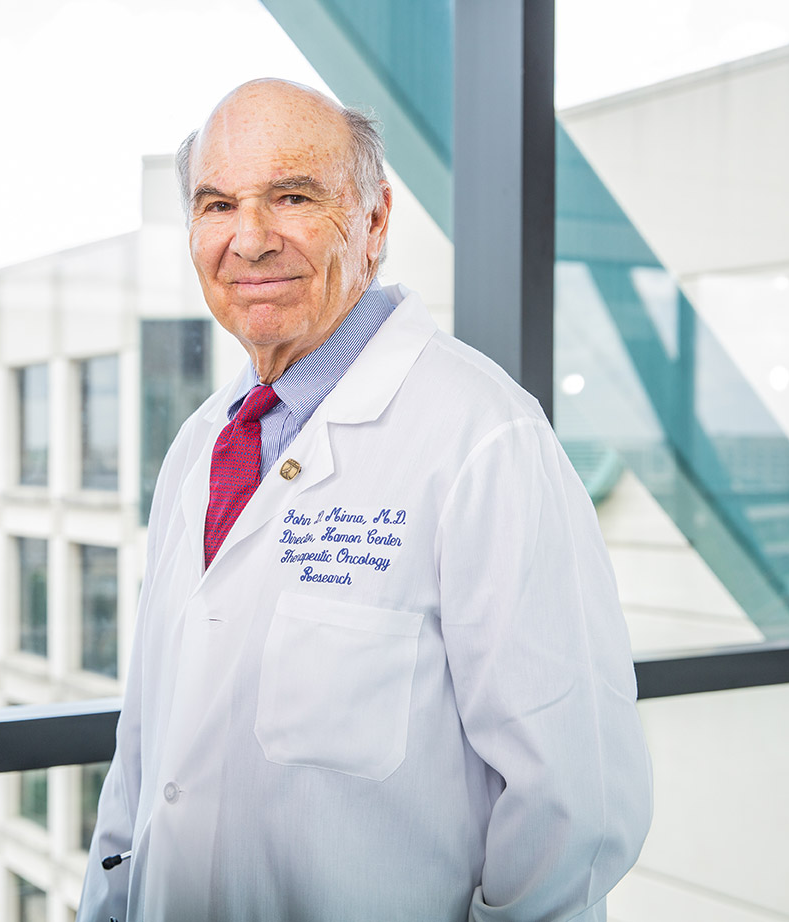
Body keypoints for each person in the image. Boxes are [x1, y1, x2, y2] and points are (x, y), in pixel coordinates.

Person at [77, 78, 652, 922]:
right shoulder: (202, 446)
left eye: (292, 196)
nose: (250, 239)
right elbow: (144, 757)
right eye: (217, 204)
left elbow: (574, 807)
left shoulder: (484, 440)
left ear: (375, 221)